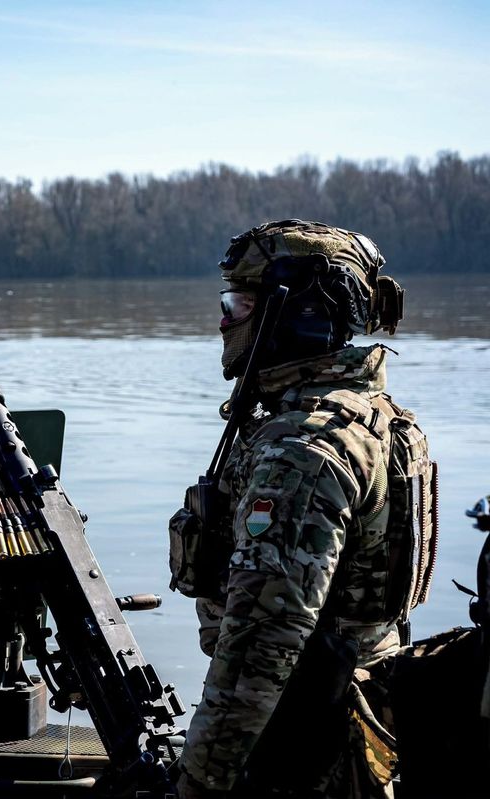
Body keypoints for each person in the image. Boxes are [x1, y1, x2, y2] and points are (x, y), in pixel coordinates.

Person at [168, 220, 435, 798]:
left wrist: (199, 780)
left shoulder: (302, 452)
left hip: (300, 746)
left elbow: (261, 647)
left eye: (240, 303)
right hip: (359, 724)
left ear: (296, 313)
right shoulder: (371, 415)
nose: (224, 320)